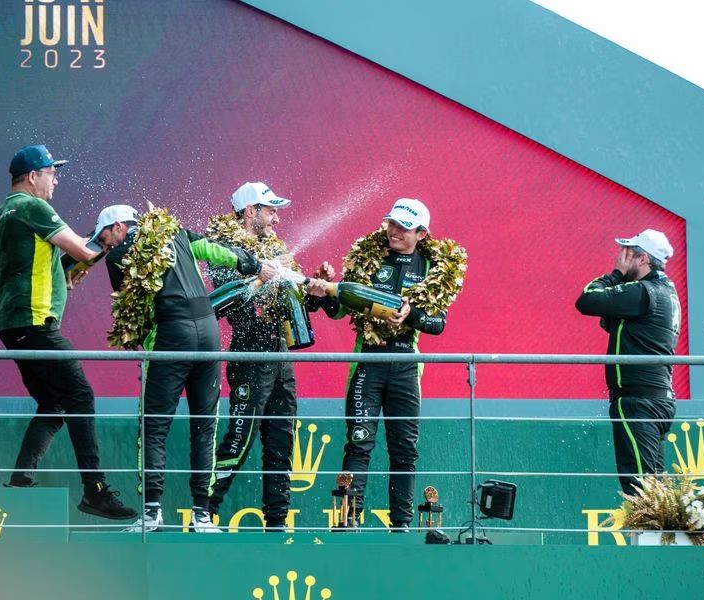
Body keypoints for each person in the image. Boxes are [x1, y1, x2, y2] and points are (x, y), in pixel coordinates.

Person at [93, 203, 274, 532]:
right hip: (207, 329)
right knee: (204, 426)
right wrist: (256, 265)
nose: (104, 243)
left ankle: (151, 513)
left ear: (120, 227)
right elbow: (217, 252)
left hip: (172, 332)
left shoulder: (118, 254)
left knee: (154, 425)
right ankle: (201, 516)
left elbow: (131, 306)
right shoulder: (174, 230)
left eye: (104, 235)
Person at [0, 144, 135, 520]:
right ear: (33, 177)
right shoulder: (35, 207)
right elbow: (84, 252)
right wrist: (106, 237)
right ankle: (95, 491)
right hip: (37, 323)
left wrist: (55, 272)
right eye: (51, 172)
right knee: (81, 395)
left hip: (12, 325)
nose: (56, 179)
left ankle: (20, 482)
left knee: (54, 403)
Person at [307, 199, 466, 530]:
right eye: (392, 224)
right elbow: (340, 310)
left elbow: (438, 324)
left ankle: (402, 526)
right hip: (368, 359)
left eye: (403, 227)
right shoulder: (370, 257)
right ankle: (348, 521)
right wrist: (323, 293)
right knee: (359, 441)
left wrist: (414, 315)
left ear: (421, 234)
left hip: (406, 363)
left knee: (404, 449)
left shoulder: (432, 268)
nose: (394, 231)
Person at [202, 181, 329, 530]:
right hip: (249, 352)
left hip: (280, 352)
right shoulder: (226, 249)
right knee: (240, 438)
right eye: (270, 209)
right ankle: (204, 511)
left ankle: (277, 523)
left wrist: (314, 286)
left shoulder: (273, 247)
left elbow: (293, 299)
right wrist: (262, 274)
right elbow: (228, 302)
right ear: (250, 211)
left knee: (281, 439)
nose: (276, 217)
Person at [574, 229, 681, 497]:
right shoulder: (665, 290)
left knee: (640, 486)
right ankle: (655, 536)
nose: (621, 257)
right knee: (654, 488)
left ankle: (650, 538)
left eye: (627, 254)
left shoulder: (643, 291)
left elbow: (587, 300)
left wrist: (615, 275)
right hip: (656, 398)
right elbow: (611, 321)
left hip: (639, 401)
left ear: (642, 258)